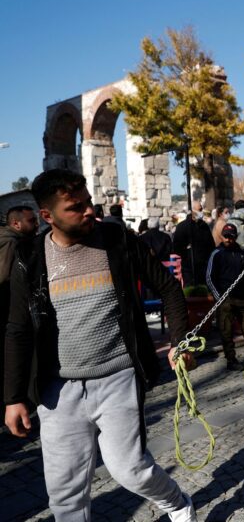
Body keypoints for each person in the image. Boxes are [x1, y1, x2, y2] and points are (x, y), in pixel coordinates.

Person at [3, 169, 197, 522]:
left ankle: (178, 504)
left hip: (118, 378)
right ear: (47, 216)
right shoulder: (28, 258)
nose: (90, 210)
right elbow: (18, 328)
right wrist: (13, 397)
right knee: (65, 494)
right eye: (76, 207)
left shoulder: (117, 239)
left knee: (131, 470)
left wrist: (179, 341)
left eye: (89, 201)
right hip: (57, 392)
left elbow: (168, 288)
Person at [0, 206, 38, 414]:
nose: (36, 224)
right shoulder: (12, 243)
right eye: (31, 221)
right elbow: (5, 278)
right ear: (16, 224)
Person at [206, 223, 244, 371]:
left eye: (231, 236)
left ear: (235, 237)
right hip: (225, 298)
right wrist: (219, 297)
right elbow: (209, 277)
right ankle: (231, 359)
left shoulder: (243, 253)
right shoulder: (217, 253)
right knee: (226, 330)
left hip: (242, 298)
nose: (228, 239)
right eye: (226, 236)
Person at [172, 202, 215, 287]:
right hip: (189, 268)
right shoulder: (182, 227)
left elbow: (211, 245)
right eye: (199, 209)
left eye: (201, 209)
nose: (201, 211)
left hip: (204, 267)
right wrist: (187, 254)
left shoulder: (204, 226)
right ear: (192, 211)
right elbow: (177, 247)